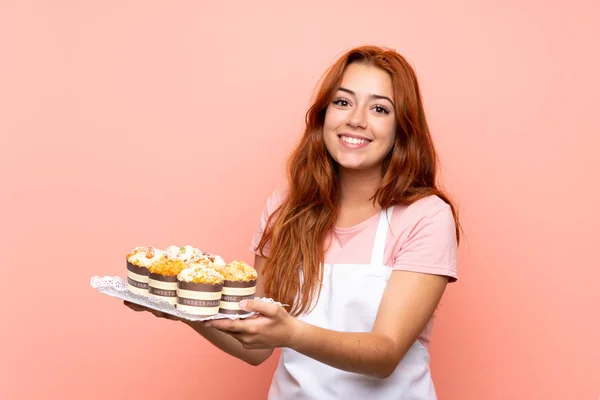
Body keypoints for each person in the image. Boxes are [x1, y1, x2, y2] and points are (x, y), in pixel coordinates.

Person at [125, 45, 460, 399]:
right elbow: (255, 345)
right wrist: (183, 308)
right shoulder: (284, 209)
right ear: (323, 115)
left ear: (402, 128)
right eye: (343, 102)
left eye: (379, 109)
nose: (356, 120)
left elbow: (385, 353)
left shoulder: (425, 216)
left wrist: (292, 334)